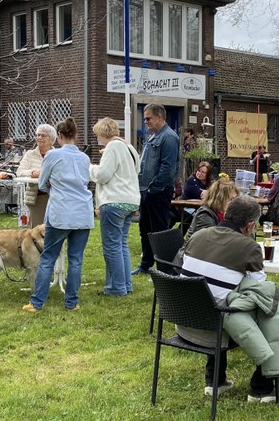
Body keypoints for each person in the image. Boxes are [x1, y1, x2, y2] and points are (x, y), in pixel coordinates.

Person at [178, 195, 279, 402]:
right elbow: (259, 289)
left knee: (214, 298)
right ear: (250, 225)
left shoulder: (198, 235)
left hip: (183, 319)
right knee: (271, 310)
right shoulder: (249, 247)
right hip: (215, 326)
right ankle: (262, 389)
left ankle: (214, 381)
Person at [23, 117, 93, 312]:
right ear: (75, 136)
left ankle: (37, 302)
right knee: (76, 259)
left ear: (59, 136)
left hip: (60, 212)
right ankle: (71, 302)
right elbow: (86, 181)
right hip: (82, 212)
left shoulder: (52, 157)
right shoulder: (84, 158)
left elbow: (43, 183)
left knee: (48, 258)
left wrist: (54, 186)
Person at [90, 117, 141, 297]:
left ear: (102, 133)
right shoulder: (129, 147)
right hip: (130, 200)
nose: (97, 138)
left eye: (97, 135)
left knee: (111, 246)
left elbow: (103, 175)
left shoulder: (112, 147)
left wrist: (90, 168)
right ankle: (125, 285)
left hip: (114, 201)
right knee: (121, 244)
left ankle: (117, 287)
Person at [133, 103, 180, 275]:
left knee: (159, 231)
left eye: (148, 118)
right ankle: (146, 264)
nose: (145, 122)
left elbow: (168, 168)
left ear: (160, 117)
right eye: (144, 118)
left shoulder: (169, 137)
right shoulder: (154, 136)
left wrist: (154, 189)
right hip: (147, 191)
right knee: (145, 229)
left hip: (158, 192)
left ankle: (164, 268)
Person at [16, 124, 57, 227]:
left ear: (51, 139)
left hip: (55, 197)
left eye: (43, 135)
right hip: (36, 197)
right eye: (38, 135)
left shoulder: (57, 154)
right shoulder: (30, 154)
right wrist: (33, 173)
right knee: (36, 230)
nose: (39, 138)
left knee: (55, 228)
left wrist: (45, 174)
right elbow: (20, 172)